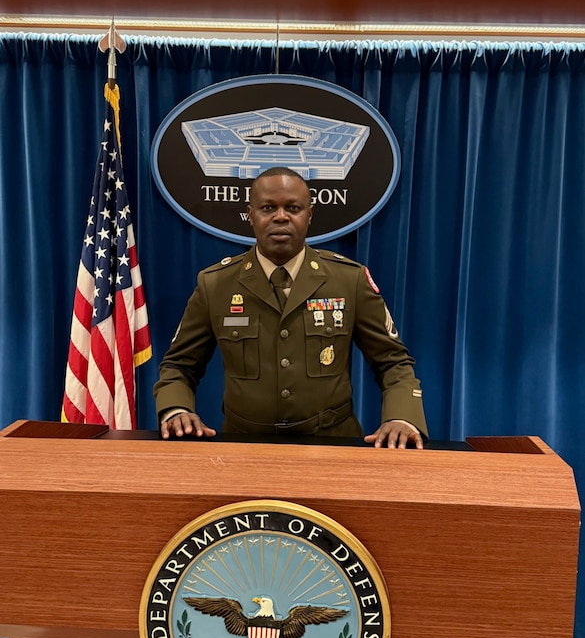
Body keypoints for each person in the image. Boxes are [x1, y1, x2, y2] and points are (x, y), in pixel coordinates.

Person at [154, 167, 427, 448]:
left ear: (309, 215)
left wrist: (401, 418)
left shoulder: (348, 280)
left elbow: (393, 362)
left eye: (293, 208)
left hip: (332, 445)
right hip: (244, 446)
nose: (281, 216)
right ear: (250, 215)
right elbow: (178, 365)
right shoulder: (216, 284)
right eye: (268, 208)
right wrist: (177, 410)